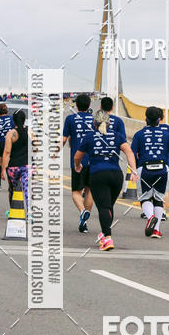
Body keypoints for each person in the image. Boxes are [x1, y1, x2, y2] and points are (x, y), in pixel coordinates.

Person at [75, 109, 137, 251]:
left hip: (98, 175)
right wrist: (133, 170)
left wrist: (77, 166)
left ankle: (108, 238)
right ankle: (104, 233)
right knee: (108, 206)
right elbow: (129, 151)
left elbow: (78, 156)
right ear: (109, 123)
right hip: (116, 175)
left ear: (93, 123)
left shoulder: (89, 137)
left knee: (103, 207)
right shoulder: (117, 136)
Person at [131, 107, 169, 238]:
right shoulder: (167, 135)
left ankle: (150, 216)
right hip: (162, 169)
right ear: (160, 120)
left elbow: (133, 153)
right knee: (159, 199)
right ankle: (156, 230)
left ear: (145, 119)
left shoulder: (139, 134)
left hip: (144, 168)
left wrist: (134, 170)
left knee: (145, 198)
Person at [60, 93, 95, 233]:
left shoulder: (70, 119)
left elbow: (63, 139)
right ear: (89, 105)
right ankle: (84, 222)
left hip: (77, 161)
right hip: (93, 161)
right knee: (89, 191)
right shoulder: (94, 119)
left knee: (76, 192)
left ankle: (82, 211)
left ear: (76, 105)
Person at [2, 109, 30, 209]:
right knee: (28, 190)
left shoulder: (11, 134)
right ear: (24, 120)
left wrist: (3, 169)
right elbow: (36, 147)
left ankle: (14, 211)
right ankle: (31, 213)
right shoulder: (30, 132)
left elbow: (7, 152)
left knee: (13, 189)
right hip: (28, 165)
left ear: (13, 121)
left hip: (13, 166)